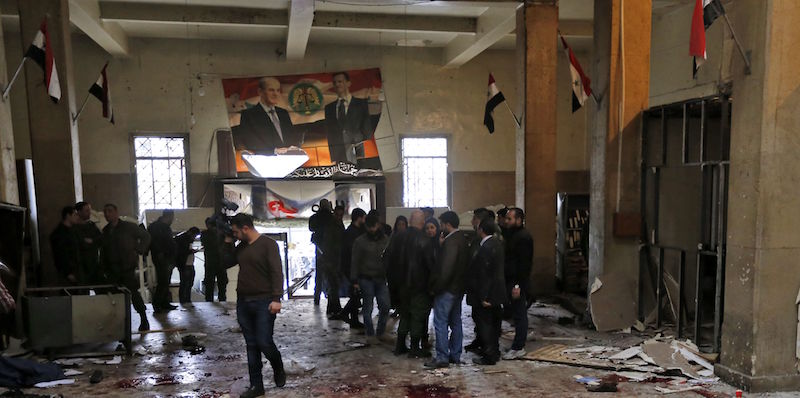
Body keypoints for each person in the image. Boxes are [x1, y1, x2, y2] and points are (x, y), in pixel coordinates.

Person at [224, 213, 286, 397]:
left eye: (236, 232)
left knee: (264, 342)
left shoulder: (268, 244)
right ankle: (256, 385)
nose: (235, 235)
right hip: (244, 301)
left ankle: (278, 366)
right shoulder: (241, 247)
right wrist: (228, 241)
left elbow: (277, 271)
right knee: (251, 344)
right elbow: (226, 263)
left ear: (245, 228)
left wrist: (276, 298)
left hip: (264, 301)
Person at [424, 211, 469, 369]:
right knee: (456, 322)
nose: (441, 227)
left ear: (447, 224)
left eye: (442, 224)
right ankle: (455, 355)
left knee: (440, 322)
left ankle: (442, 357)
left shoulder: (451, 243)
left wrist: (436, 288)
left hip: (447, 289)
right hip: (458, 289)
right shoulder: (462, 239)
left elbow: (446, 269)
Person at [100, 204, 151, 331]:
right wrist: (103, 267)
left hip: (127, 267)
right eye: (105, 212)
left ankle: (143, 318)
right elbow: (103, 250)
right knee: (116, 297)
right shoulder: (106, 231)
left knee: (133, 293)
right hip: (112, 269)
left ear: (116, 212)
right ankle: (120, 324)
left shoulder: (129, 227)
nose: (107, 214)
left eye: (110, 211)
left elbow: (146, 236)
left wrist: (139, 249)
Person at [468, 218, 506, 366]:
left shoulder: (486, 247)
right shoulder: (498, 244)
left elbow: (485, 275)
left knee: (485, 325)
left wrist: (484, 296)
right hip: (497, 293)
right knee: (495, 324)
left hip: (488, 294)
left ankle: (489, 355)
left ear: (481, 230)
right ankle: (494, 352)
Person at [397, 210, 433, 358]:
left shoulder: (398, 238)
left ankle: (400, 345)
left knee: (404, 315)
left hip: (402, 285)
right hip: (419, 285)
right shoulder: (425, 240)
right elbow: (430, 265)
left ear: (410, 221)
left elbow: (389, 260)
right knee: (417, 316)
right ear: (422, 222)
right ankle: (414, 348)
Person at [233, 77, 298, 154]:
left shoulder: (283, 113)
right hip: (265, 161)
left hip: (290, 160)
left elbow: (292, 137)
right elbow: (250, 142)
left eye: (278, 90)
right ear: (260, 92)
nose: (275, 94)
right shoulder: (249, 115)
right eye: (271, 90)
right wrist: (274, 151)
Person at [501, 207, 534, 360]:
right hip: (511, 280)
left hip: (517, 282)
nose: (506, 221)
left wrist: (517, 286)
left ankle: (518, 347)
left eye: (509, 219)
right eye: (506, 218)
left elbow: (524, 265)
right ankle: (517, 345)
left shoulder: (523, 237)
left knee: (520, 315)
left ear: (519, 220)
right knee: (516, 314)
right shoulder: (512, 235)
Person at [350, 215, 390, 339]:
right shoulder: (360, 241)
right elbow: (355, 261)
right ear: (366, 226)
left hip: (381, 277)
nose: (372, 229)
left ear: (378, 225)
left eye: (374, 225)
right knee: (368, 307)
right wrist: (354, 280)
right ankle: (370, 332)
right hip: (366, 278)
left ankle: (379, 331)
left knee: (385, 306)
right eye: (370, 226)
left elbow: (390, 258)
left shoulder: (385, 240)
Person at [324, 71, 373, 163]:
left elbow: (367, 128)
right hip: (339, 154)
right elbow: (330, 134)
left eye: (340, 81)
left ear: (348, 83)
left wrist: (366, 153)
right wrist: (333, 157)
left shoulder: (361, 104)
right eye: (335, 83)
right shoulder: (329, 108)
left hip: (358, 150)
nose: (337, 84)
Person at [334, 208, 366, 328]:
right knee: (355, 294)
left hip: (350, 267)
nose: (365, 220)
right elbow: (351, 253)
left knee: (355, 294)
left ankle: (353, 319)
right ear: (359, 218)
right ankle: (345, 314)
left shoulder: (353, 231)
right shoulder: (352, 233)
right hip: (351, 267)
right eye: (363, 218)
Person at [147, 210, 178, 313]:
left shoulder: (160, 227)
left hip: (165, 257)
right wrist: (161, 254)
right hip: (162, 257)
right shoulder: (158, 228)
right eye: (172, 218)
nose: (172, 220)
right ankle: (157, 303)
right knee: (163, 281)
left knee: (165, 281)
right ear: (169, 216)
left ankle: (164, 302)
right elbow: (156, 243)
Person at [309, 199, 333, 306]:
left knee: (319, 275)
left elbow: (311, 228)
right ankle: (330, 296)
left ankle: (317, 297)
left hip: (319, 248)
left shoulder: (315, 217)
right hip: (331, 249)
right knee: (331, 275)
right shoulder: (332, 218)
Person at [322, 205, 345, 316]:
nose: (339, 217)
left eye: (341, 215)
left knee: (334, 285)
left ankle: (332, 307)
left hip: (334, 260)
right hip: (332, 260)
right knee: (334, 285)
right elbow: (328, 246)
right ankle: (334, 308)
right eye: (338, 215)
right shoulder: (332, 227)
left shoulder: (336, 225)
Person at [74, 202, 103, 286]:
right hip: (81, 266)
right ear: (79, 212)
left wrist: (93, 241)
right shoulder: (74, 229)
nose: (89, 213)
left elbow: (101, 239)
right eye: (86, 210)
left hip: (94, 264)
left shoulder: (91, 226)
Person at [50, 206, 80, 286]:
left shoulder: (74, 231)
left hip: (76, 270)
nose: (77, 217)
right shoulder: (59, 234)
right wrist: (68, 272)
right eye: (75, 214)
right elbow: (60, 254)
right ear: (68, 216)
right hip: (67, 273)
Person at [202, 218, 227, 302]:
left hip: (210, 262)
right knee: (221, 285)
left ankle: (210, 301)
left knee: (210, 285)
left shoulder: (205, 234)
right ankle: (222, 301)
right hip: (220, 262)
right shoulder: (222, 233)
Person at [175, 227, 201, 304]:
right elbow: (182, 251)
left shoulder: (186, 238)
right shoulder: (183, 239)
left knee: (188, 283)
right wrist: (191, 251)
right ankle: (184, 300)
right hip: (184, 264)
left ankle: (186, 299)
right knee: (185, 283)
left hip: (188, 263)